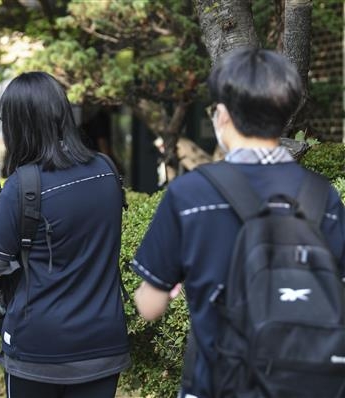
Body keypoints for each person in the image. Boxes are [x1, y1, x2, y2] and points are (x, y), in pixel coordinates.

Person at [131, 48, 345, 398]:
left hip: (217, 383)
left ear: (223, 116)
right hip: (308, 384)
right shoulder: (323, 197)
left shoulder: (190, 194)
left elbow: (149, 307)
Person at [0, 71, 131, 398]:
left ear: (20, 124)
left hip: (39, 346)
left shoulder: (25, 185)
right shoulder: (105, 169)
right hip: (103, 341)